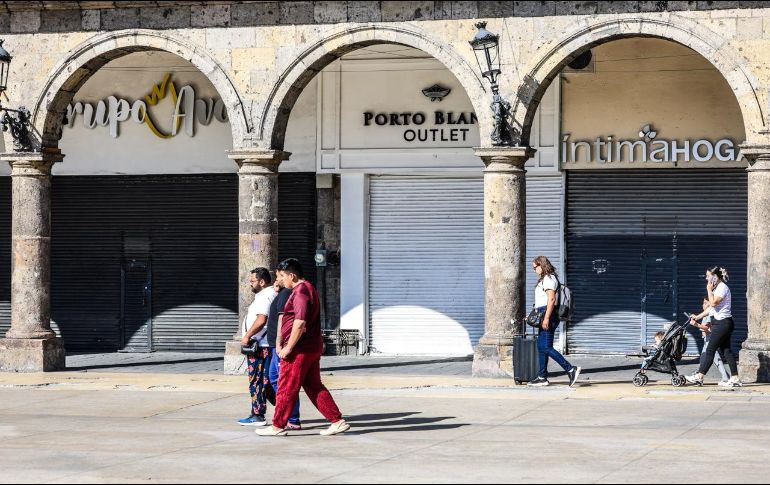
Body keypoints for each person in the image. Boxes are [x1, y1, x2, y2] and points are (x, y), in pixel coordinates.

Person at [256, 258, 349, 437]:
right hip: (310, 347)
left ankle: (277, 426)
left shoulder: (300, 292)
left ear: (292, 275)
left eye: (282, 277)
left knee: (285, 386)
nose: (280, 281)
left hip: (300, 349)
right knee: (314, 386)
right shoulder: (308, 289)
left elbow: (299, 322)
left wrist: (288, 347)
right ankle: (337, 421)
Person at [527, 256, 581, 388]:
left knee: (546, 347)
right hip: (543, 313)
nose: (534, 270)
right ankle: (542, 377)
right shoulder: (545, 279)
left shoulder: (549, 279)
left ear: (542, 265)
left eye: (535, 267)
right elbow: (541, 300)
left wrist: (546, 318)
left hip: (548, 315)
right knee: (541, 347)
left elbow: (551, 300)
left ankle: (570, 369)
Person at [685, 267, 742, 387]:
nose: (706, 278)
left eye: (708, 276)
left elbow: (713, 303)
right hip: (723, 323)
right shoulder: (718, 288)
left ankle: (699, 376)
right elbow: (711, 308)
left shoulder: (722, 288)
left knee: (710, 350)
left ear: (715, 276)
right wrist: (698, 316)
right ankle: (735, 377)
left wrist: (708, 289)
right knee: (726, 351)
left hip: (722, 323)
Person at [237, 267, 276, 426]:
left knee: (257, 381)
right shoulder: (268, 294)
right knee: (265, 382)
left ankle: (257, 414)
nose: (250, 284)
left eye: (252, 281)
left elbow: (261, 320)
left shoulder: (264, 296)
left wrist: (247, 336)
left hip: (260, 347)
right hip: (263, 345)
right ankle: (286, 412)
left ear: (262, 281)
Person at [266, 275, 302, 429]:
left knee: (283, 381)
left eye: (280, 276)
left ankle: (292, 418)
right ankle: (289, 414)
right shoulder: (282, 294)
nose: (277, 279)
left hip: (279, 346)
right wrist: (276, 291)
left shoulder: (287, 294)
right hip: (277, 346)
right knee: (275, 378)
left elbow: (283, 320)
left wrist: (279, 343)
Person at [689, 296, 732, 387]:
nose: (703, 305)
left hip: (710, 339)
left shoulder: (710, 314)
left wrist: (696, 325)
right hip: (707, 339)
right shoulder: (707, 314)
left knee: (716, 359)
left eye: (705, 303)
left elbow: (708, 328)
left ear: (710, 303)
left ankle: (725, 377)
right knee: (704, 358)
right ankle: (699, 375)